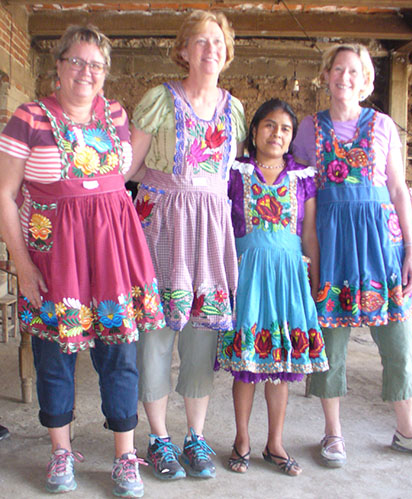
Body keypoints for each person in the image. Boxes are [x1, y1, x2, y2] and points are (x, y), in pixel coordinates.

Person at [0, 25, 165, 497]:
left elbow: (118, 183)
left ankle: (125, 456)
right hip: (54, 258)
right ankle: (60, 451)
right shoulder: (29, 117)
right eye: (76, 61)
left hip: (111, 257)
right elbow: (5, 194)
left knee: (119, 355)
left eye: (95, 65)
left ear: (105, 72)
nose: (85, 72)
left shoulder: (116, 115)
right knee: (54, 355)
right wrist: (22, 264)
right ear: (58, 65)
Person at [292, 43, 412, 467]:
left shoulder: (383, 125)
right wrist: (306, 256)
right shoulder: (308, 129)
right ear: (326, 76)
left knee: (397, 338)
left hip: (380, 245)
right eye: (338, 69)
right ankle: (333, 433)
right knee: (331, 341)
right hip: (331, 244)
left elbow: (397, 190)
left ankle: (407, 430)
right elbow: (300, 192)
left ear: (367, 81)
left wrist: (411, 249)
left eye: (354, 71)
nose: (345, 77)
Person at [126, 10, 247, 480]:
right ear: (183, 50)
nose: (210, 49)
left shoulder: (234, 110)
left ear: (227, 52)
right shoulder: (160, 99)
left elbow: (229, 175)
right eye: (200, 41)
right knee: (156, 335)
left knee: (202, 335)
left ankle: (195, 436)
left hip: (210, 232)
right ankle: (159, 437)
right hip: (163, 226)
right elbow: (129, 168)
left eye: (218, 42)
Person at [217, 99, 328, 475]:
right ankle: (242, 440)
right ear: (254, 131)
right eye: (268, 125)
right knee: (246, 366)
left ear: (292, 136)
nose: (276, 134)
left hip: (288, 279)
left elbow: (308, 234)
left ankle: (275, 443)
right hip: (248, 276)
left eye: (284, 128)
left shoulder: (303, 178)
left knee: (281, 365)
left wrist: (315, 281)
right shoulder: (235, 173)